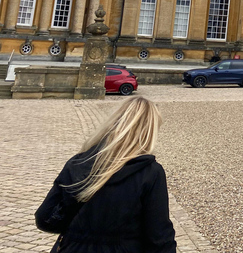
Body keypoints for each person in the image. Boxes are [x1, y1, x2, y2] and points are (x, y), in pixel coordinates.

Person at [35, 96, 176, 253]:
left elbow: (45, 218)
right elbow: (159, 237)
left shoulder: (79, 162)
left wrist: (78, 230)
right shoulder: (150, 173)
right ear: (149, 132)